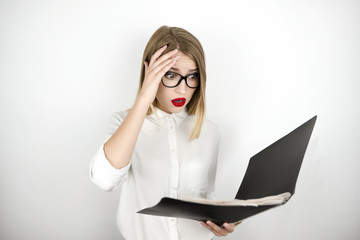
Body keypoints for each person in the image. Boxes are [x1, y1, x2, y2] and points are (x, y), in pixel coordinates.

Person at [90, 25, 240, 240]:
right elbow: (105, 181)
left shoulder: (209, 131)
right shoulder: (123, 123)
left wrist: (220, 221)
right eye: (171, 75)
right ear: (150, 73)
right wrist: (143, 99)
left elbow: (205, 194)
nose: (182, 89)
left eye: (193, 76)